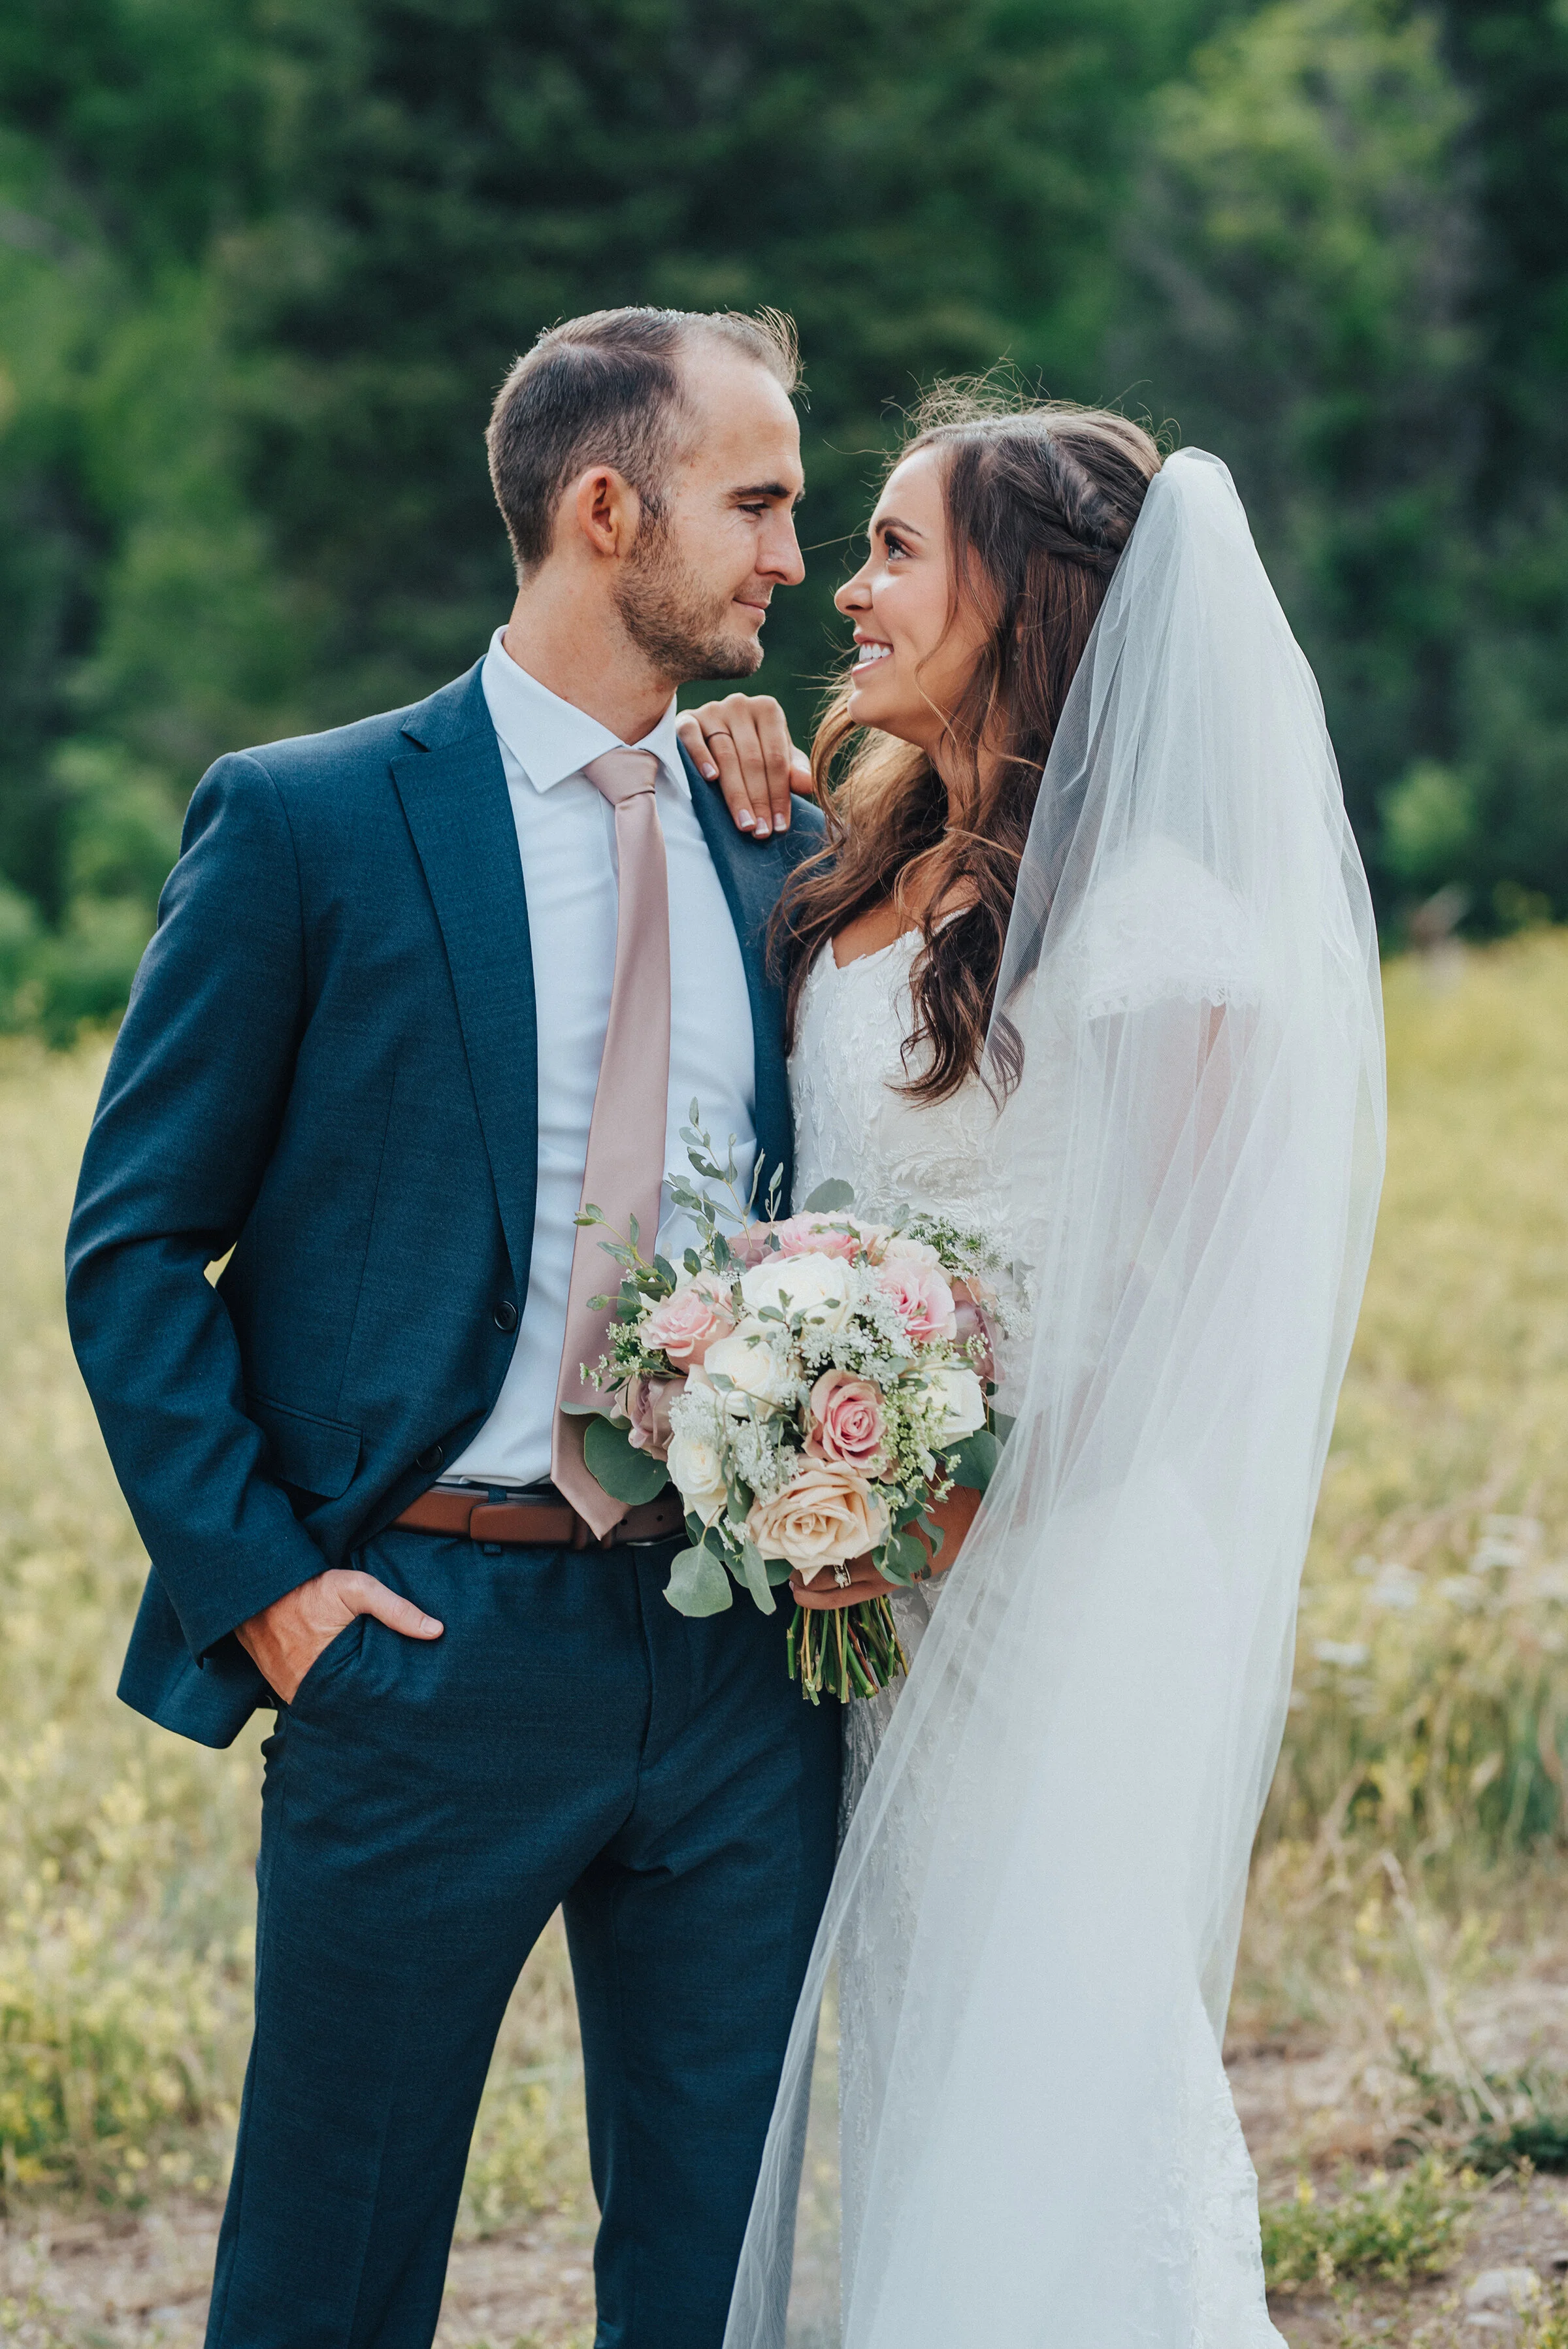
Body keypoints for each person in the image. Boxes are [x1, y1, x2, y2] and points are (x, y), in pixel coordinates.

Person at [65, 304, 842, 2349]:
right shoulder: (310, 823)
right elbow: (135, 1247)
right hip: (420, 1644)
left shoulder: (788, 842)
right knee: (327, 2270)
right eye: (756, 503)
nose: (792, 553)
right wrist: (274, 1599)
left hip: (736, 1661)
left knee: (716, 2273)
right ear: (607, 508)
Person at [678, 392, 1387, 2342]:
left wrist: (947, 1501)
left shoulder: (1159, 924)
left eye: (899, 548)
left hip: (1053, 1585)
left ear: (1036, 597)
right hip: (882, 1587)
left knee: (1054, 2052)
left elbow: (1186, 1322)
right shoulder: (858, 850)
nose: (849, 584)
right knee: (921, 2047)